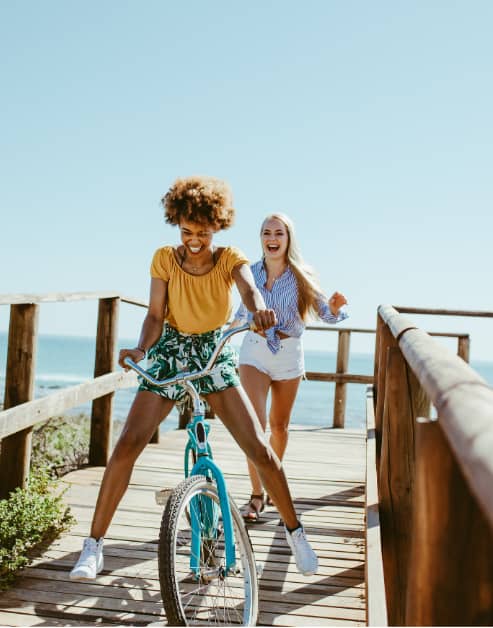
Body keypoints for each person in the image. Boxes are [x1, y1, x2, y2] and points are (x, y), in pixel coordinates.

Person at [70, 177, 318, 581]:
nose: (195, 240)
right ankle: (94, 546)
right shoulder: (165, 259)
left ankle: (295, 532)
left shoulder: (229, 258)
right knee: (128, 444)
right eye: (187, 232)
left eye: (203, 232)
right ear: (177, 226)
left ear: (216, 227)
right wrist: (140, 349)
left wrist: (259, 311)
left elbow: (249, 291)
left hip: (212, 352)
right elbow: (154, 315)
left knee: (258, 446)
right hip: (170, 351)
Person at [232, 213, 348, 522]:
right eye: (267, 232)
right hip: (254, 351)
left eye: (278, 233)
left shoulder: (301, 275)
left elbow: (325, 313)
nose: (272, 238)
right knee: (255, 427)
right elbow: (240, 314)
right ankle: (256, 496)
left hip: (288, 354)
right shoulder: (249, 273)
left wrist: (335, 308)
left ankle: (272, 480)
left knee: (279, 428)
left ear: (288, 239)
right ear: (261, 238)